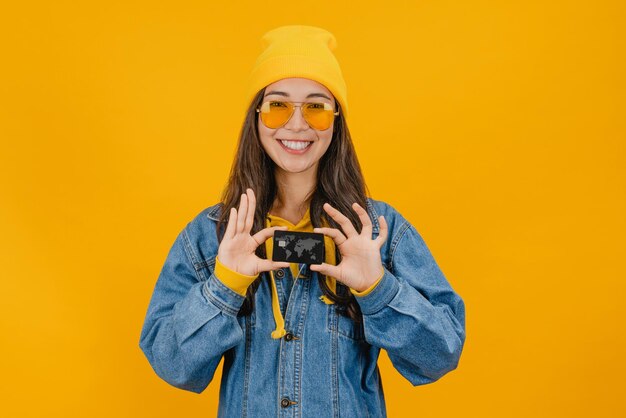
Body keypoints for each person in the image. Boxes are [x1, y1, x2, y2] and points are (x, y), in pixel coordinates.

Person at [139, 25, 466, 417]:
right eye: (278, 105)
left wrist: (378, 290)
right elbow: (171, 365)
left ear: (336, 119)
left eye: (316, 106)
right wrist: (224, 287)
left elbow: (441, 354)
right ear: (256, 116)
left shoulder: (376, 232)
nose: (297, 124)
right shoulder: (213, 235)